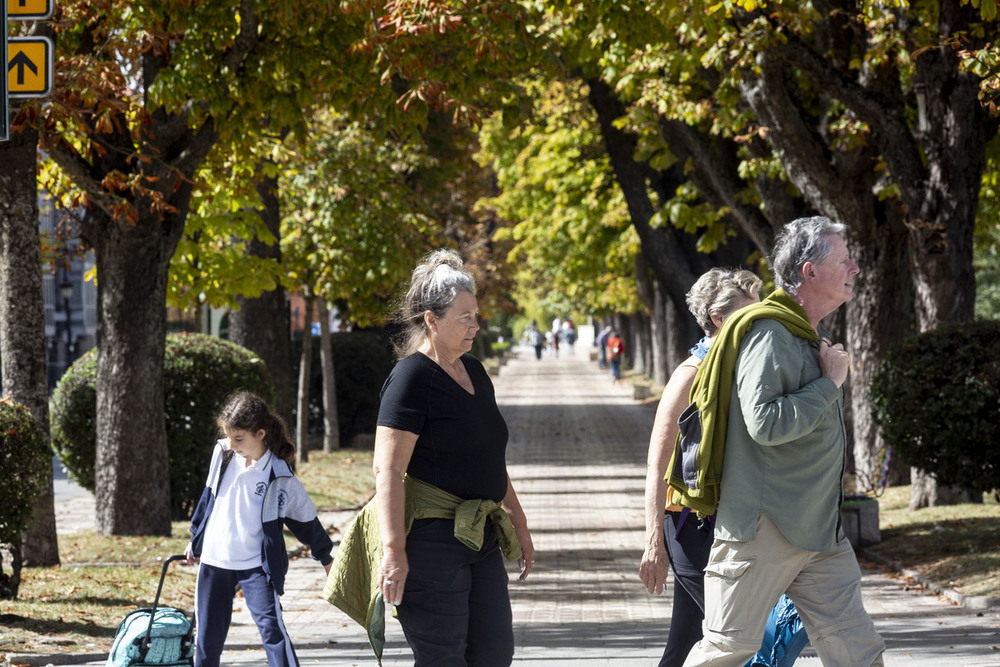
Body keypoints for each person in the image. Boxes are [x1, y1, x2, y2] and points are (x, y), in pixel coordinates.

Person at [682, 217, 885, 666]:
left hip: (819, 531)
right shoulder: (770, 334)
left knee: (857, 651)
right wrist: (830, 384)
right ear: (810, 272)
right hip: (764, 527)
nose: (854, 268)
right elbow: (765, 423)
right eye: (844, 260)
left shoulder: (801, 334)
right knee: (726, 649)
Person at [333, 249, 534, 666]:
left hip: (480, 536)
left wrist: (518, 517)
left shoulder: (474, 370)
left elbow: (489, 455)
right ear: (431, 319)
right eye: (465, 317)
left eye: (476, 316)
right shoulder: (411, 378)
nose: (475, 326)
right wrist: (393, 551)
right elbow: (387, 469)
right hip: (430, 543)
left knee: (495, 653)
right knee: (443, 657)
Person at [640, 268, 808, 667]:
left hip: (740, 520)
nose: (761, 321)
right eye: (750, 313)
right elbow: (657, 463)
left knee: (688, 640)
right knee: (745, 635)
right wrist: (653, 542)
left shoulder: (751, 371)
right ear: (718, 318)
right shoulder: (690, 376)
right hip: (691, 526)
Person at [184, 391, 334, 667]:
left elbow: (305, 518)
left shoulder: (279, 474)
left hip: (256, 565)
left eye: (239, 438)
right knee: (206, 641)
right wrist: (195, 539)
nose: (232, 444)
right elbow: (208, 498)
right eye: (229, 436)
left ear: (261, 433)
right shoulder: (223, 454)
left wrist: (325, 557)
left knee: (273, 632)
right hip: (215, 561)